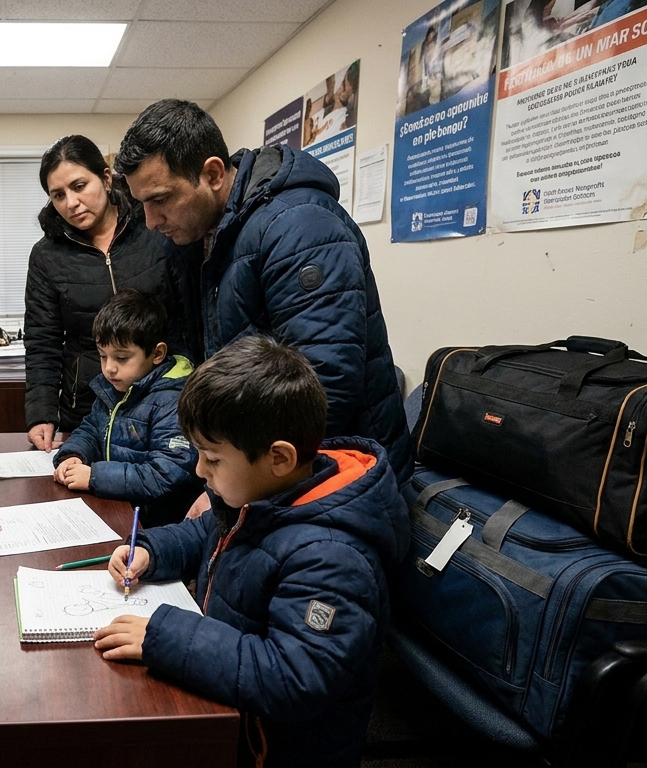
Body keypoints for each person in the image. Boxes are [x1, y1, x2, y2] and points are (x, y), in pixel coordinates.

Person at [92, 336, 408, 768]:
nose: (200, 471)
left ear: (279, 457)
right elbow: (205, 532)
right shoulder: (266, 493)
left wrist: (164, 637)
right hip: (235, 714)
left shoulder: (333, 559)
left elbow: (292, 676)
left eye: (213, 459)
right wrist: (149, 549)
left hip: (282, 751)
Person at [114, 99, 413, 501]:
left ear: (213, 174)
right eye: (141, 204)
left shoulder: (301, 226)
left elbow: (323, 386)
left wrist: (226, 484)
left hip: (337, 477)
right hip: (261, 470)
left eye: (161, 199)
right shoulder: (197, 237)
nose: (150, 221)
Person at [24, 135, 176, 450]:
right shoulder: (47, 255)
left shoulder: (154, 229)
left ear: (106, 178)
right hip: (88, 408)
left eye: (79, 186)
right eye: (58, 195)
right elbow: (43, 341)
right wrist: (41, 413)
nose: (71, 203)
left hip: (164, 401)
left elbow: (186, 316)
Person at [51, 290, 202, 528]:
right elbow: (91, 429)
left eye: (121, 358)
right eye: (103, 356)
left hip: (158, 525)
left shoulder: (173, 402)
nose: (109, 368)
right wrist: (74, 455)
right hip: (118, 508)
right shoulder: (114, 387)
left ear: (157, 353)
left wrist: (94, 477)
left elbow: (166, 475)